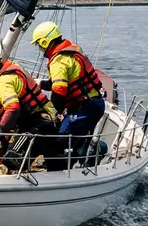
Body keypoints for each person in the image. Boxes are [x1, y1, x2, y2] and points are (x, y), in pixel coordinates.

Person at [0, 47, 61, 172]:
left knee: (11, 159)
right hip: (45, 119)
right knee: (15, 151)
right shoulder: (13, 68)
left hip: (39, 122)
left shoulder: (2, 82)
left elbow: (13, 109)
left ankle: (7, 175)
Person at [31, 21, 109, 167]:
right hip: (94, 102)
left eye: (40, 45)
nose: (41, 49)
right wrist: (40, 83)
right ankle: (87, 155)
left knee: (62, 140)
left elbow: (59, 93)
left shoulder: (58, 62)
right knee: (78, 137)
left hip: (85, 108)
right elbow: (67, 83)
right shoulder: (71, 50)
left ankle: (61, 169)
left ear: (45, 41)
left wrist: (58, 112)